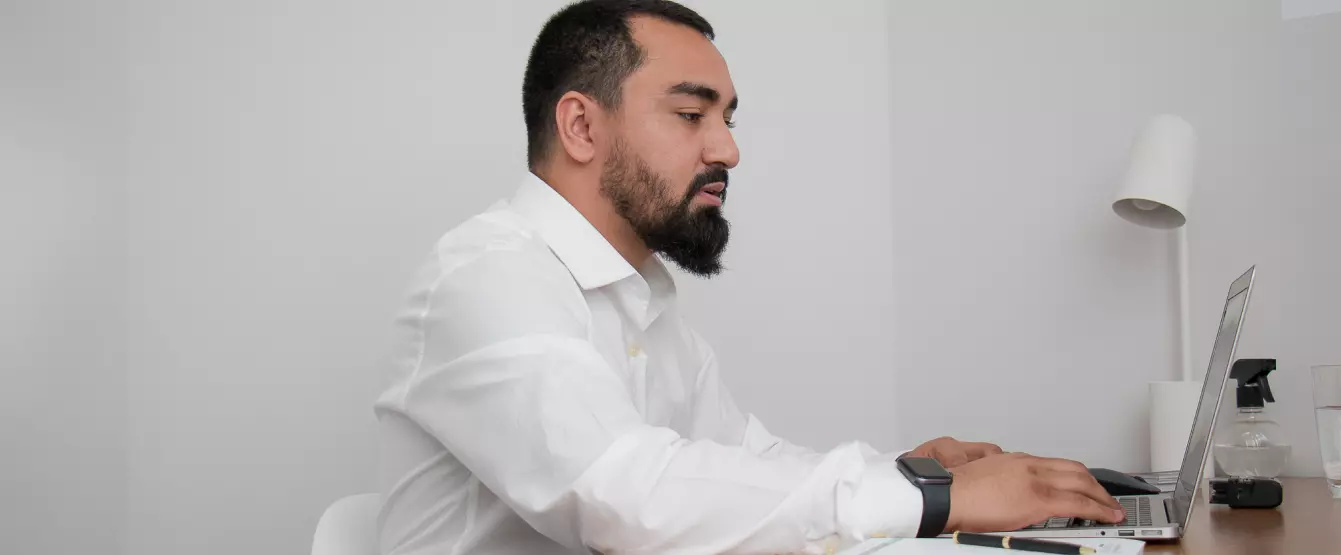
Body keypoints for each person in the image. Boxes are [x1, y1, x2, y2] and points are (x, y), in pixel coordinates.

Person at [373, 1, 1125, 553]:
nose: (728, 149)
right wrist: (928, 499)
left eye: (728, 117)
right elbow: (625, 497)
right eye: (691, 114)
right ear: (580, 126)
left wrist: (900, 473)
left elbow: (742, 469)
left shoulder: (645, 303)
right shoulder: (489, 276)